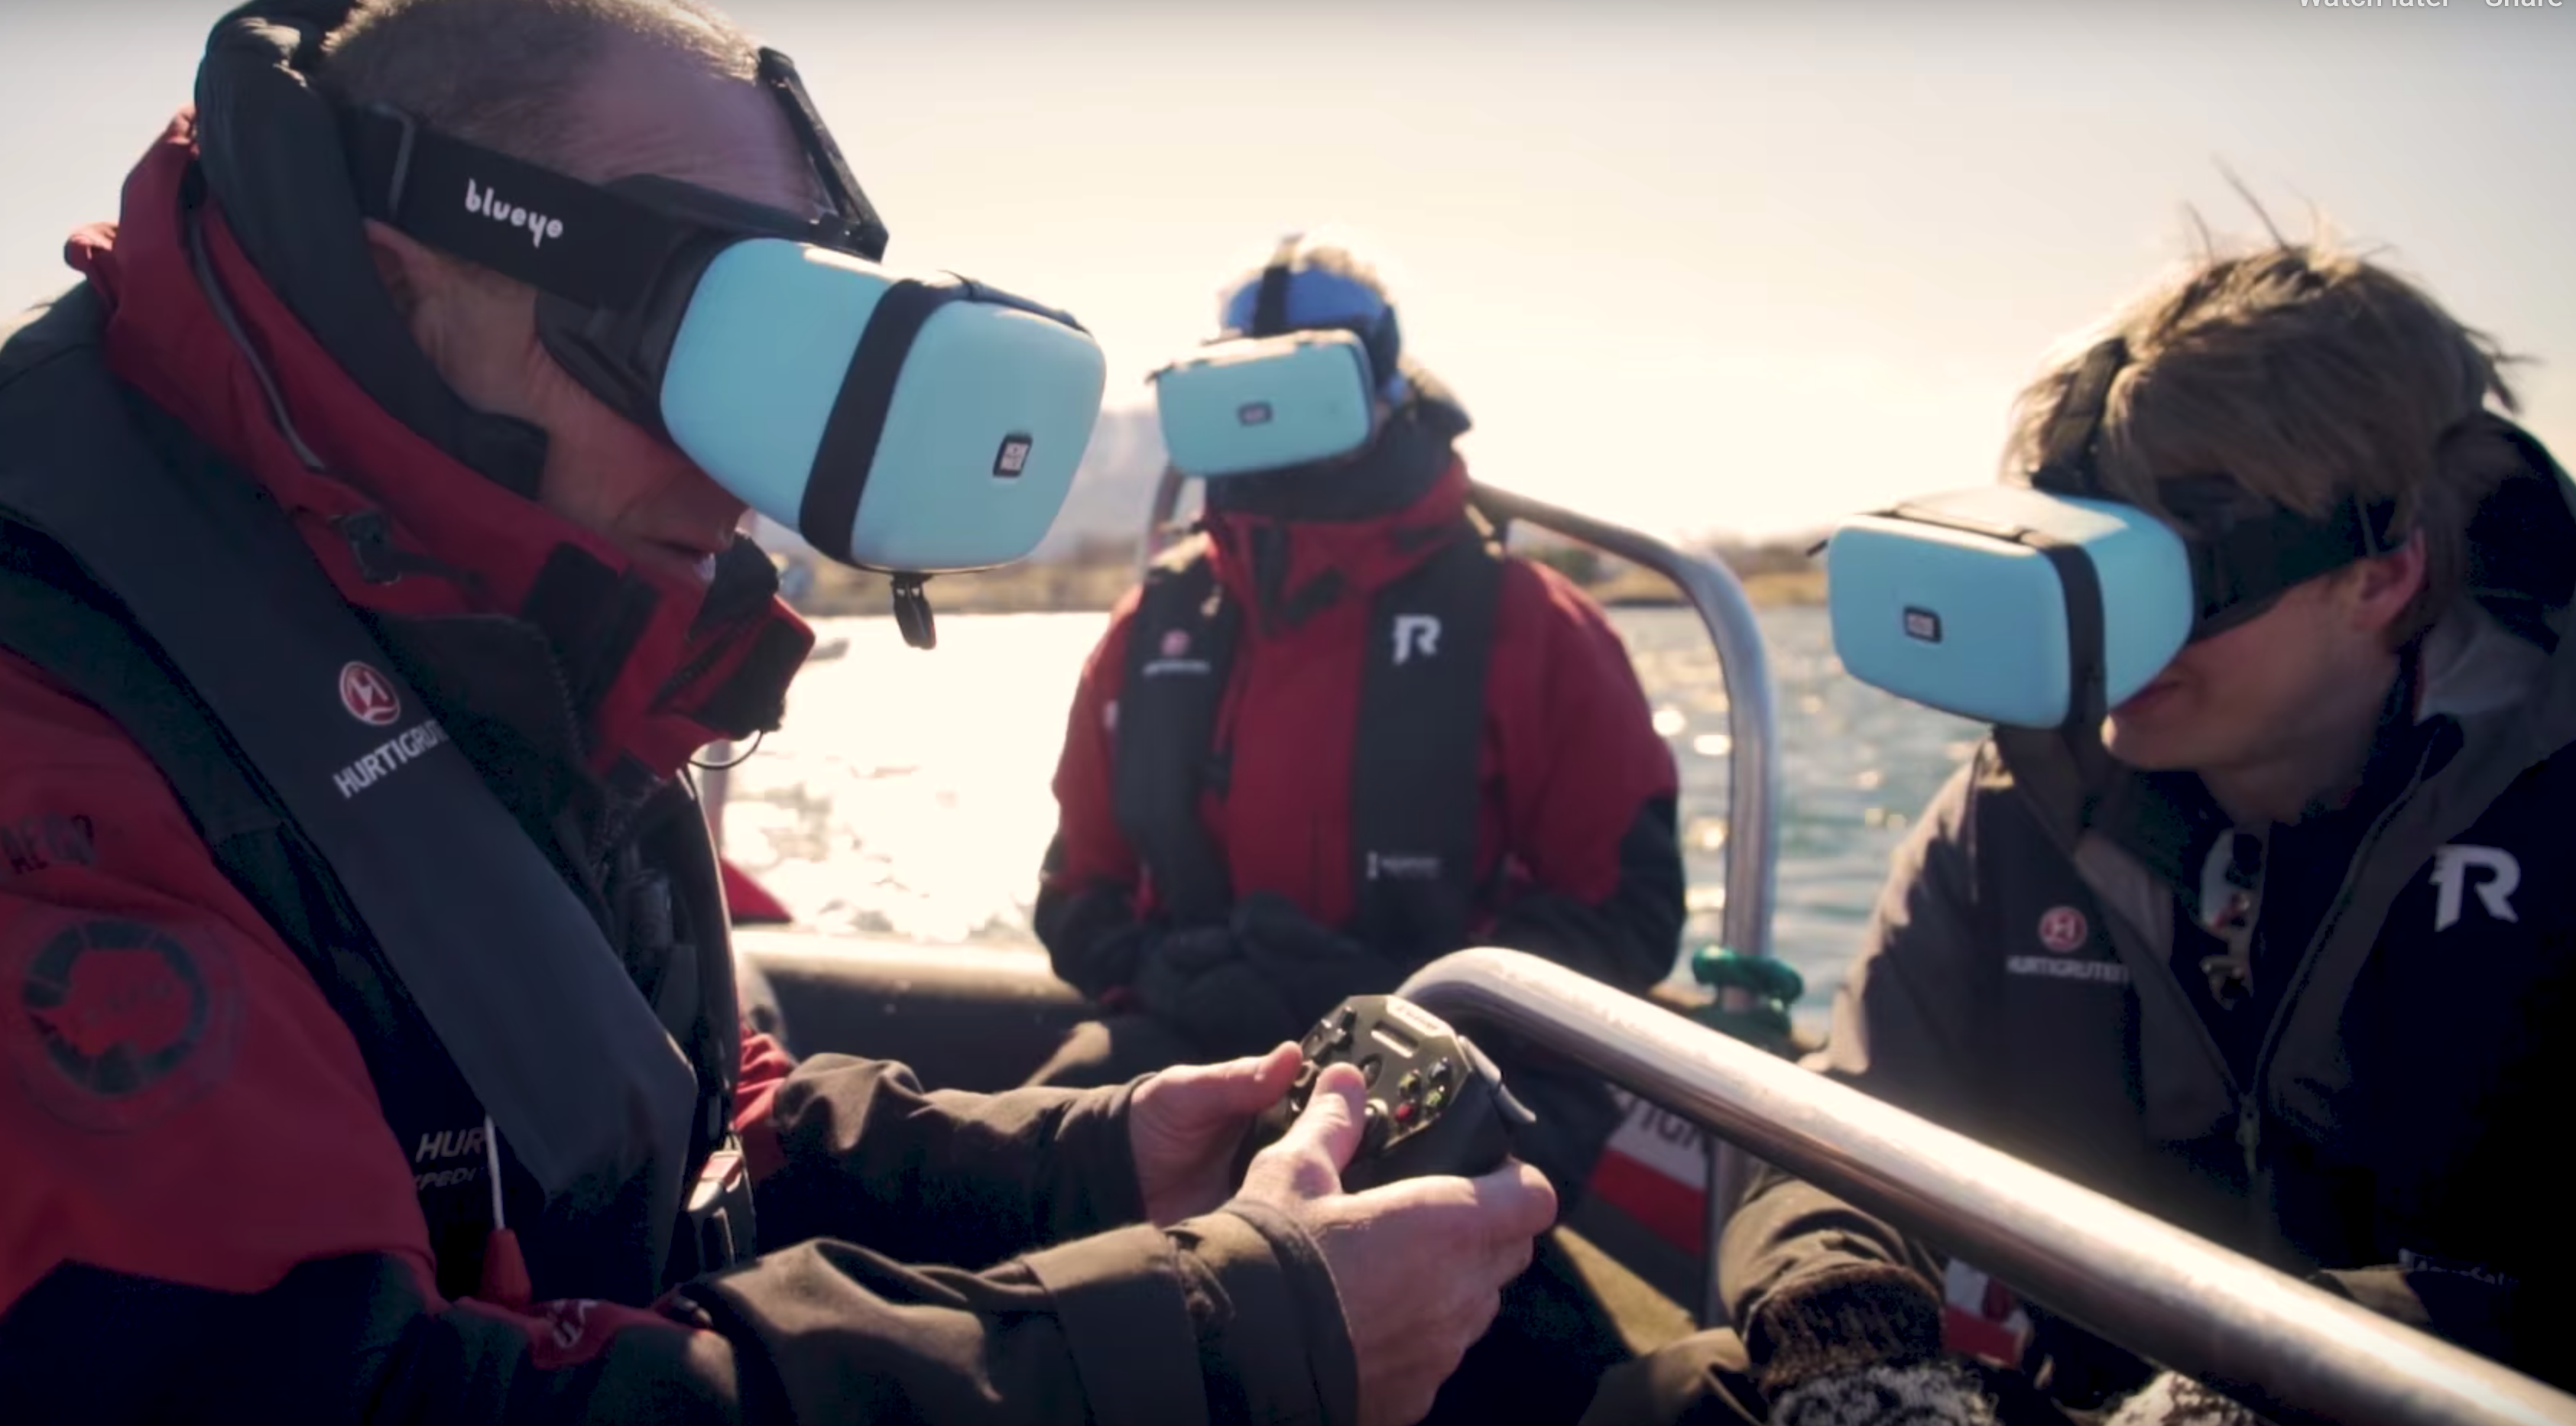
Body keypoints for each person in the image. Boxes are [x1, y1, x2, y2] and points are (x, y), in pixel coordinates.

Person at [0, 3, 1556, 1422]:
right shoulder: (56, 727)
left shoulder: (507, 617)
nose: (741, 473)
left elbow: (685, 1123)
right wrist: (1223, 1349)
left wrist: (1083, 1171)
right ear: (401, 286)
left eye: (780, 369)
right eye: (689, 343)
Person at [1583, 232, 2576, 1426]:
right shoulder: (2017, 802)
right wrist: (1842, 1340)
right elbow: (1846, 1129)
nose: (2117, 644)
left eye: (2177, 585)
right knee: (1679, 1400)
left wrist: (2275, 1388)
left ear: (2383, 572)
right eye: (2091, 574)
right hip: (2093, 1399)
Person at [1026, 232, 1689, 1421]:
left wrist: (1410, 1005)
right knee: (1021, 1239)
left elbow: (1628, 910)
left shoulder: (1528, 625)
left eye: (1312, 376)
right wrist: (1186, 976)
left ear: (1386, 391)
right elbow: (1075, 892)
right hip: (1186, 1060)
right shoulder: (1149, 628)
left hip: (1451, 1107)